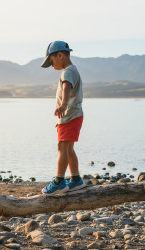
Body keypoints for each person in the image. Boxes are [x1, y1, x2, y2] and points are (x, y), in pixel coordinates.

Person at [40, 41, 86, 195]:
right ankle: (75, 179)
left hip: (70, 114)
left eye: (51, 61)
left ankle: (59, 181)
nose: (52, 65)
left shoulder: (67, 72)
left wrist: (64, 105)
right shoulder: (73, 70)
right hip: (73, 116)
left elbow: (66, 87)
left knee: (62, 147)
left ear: (60, 55)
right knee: (69, 148)